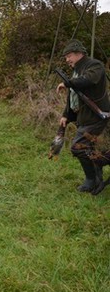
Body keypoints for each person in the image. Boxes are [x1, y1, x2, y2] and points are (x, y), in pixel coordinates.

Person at [56, 39, 109, 194]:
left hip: (97, 116)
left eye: (69, 56)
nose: (67, 60)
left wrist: (67, 83)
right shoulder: (76, 70)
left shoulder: (94, 65)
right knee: (87, 147)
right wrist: (66, 115)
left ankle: (93, 177)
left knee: (77, 147)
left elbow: (88, 80)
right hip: (84, 117)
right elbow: (74, 96)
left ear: (79, 53)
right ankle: (95, 177)